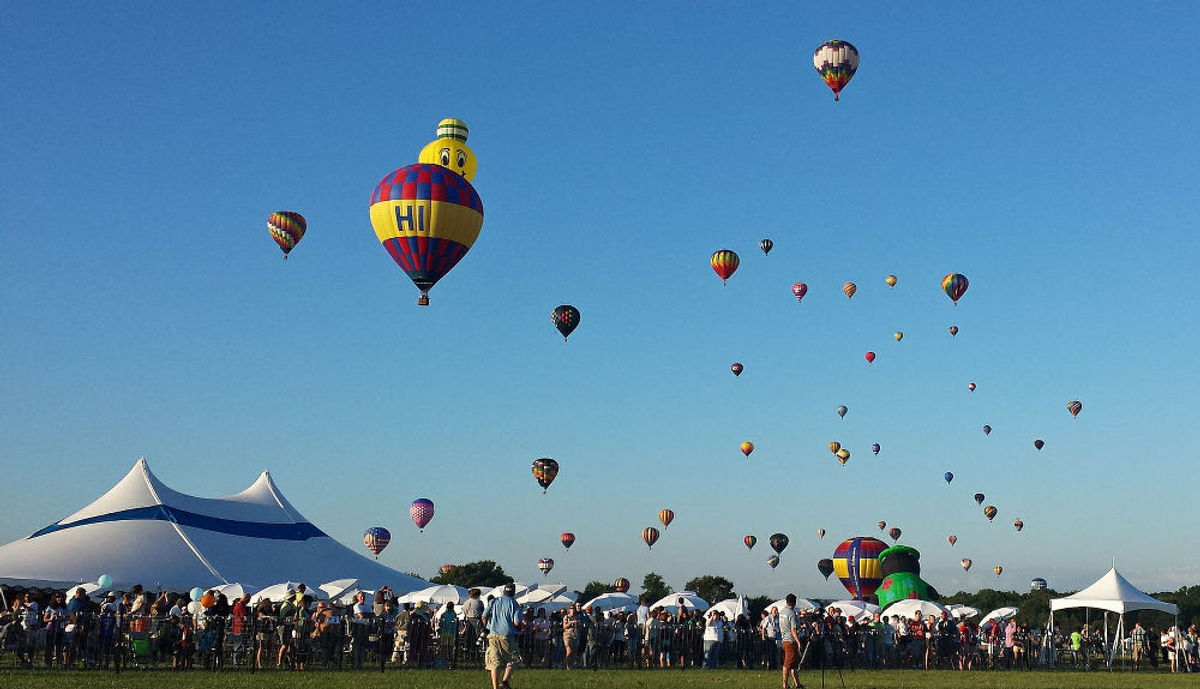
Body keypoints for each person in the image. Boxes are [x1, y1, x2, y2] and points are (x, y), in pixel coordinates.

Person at [482, 582, 522, 689]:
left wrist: (486, 627)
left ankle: (495, 687)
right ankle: (505, 682)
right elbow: (517, 622)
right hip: (507, 634)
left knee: (495, 662)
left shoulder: (494, 601)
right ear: (514, 592)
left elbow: (484, 616)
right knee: (514, 658)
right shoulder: (515, 604)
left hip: (493, 633)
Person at [778, 594, 803, 689]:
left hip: (784, 639)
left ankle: (797, 684)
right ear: (794, 603)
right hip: (791, 641)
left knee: (793, 664)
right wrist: (798, 641)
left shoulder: (782, 612)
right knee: (788, 663)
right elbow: (793, 629)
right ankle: (785, 684)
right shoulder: (791, 613)